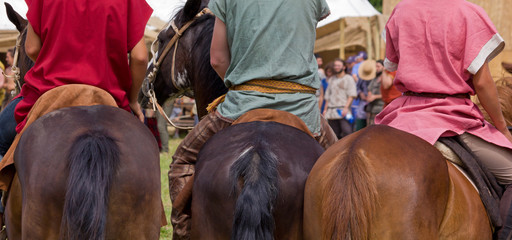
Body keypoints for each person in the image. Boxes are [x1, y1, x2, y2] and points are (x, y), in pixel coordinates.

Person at [168, 0, 336, 238]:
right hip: (302, 109)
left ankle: (186, 233)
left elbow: (217, 59)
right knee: (343, 170)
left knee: (181, 161)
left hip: (241, 105)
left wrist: (245, 85)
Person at [375, 0, 512, 238]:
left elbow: (393, 64)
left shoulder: (401, 10)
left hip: (402, 116)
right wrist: (503, 128)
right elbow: (482, 82)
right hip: (451, 117)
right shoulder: (468, 12)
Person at [0, 0, 152, 159]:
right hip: (109, 95)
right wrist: (133, 100)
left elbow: (32, 48)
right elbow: (140, 57)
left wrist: (55, 65)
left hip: (50, 89)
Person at [322, 58, 356, 139]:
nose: (336, 67)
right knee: (333, 135)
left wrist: (346, 108)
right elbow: (328, 96)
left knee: (347, 132)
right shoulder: (331, 79)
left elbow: (351, 95)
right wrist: (325, 110)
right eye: (335, 65)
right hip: (331, 111)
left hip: (342, 110)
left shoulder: (348, 78)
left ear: (344, 67)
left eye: (338, 65)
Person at [365, 60, 385, 125]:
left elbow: (388, 94)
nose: (376, 68)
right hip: (371, 105)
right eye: (375, 66)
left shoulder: (386, 79)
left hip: (380, 105)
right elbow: (369, 89)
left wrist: (375, 96)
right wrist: (369, 95)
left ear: (383, 67)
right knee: (369, 125)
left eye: (378, 66)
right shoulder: (375, 78)